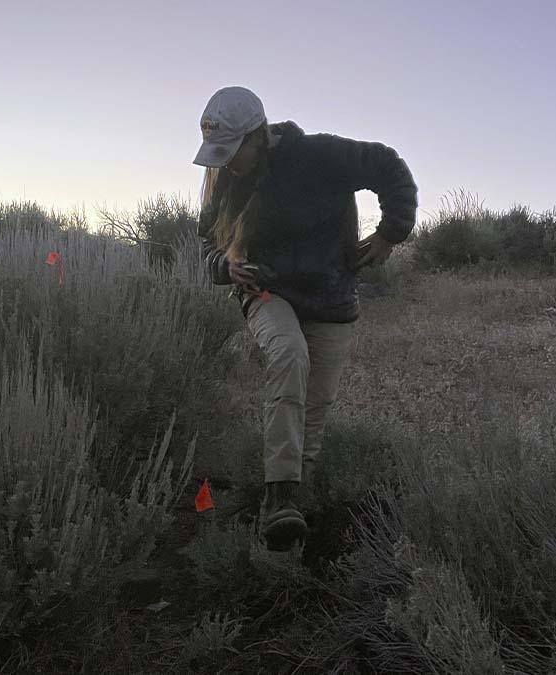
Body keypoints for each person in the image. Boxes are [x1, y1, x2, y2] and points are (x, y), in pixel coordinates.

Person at [193, 86, 418, 551]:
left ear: (260, 135)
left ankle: (294, 521)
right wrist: (225, 266)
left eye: (234, 151)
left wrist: (388, 235)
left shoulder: (319, 155)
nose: (228, 163)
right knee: (289, 356)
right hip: (267, 290)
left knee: (314, 411)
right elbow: (205, 243)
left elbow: (391, 169)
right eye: (220, 154)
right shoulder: (222, 178)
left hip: (331, 294)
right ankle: (279, 497)